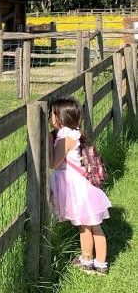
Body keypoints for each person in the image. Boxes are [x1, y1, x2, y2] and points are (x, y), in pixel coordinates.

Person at [48, 98, 111, 275]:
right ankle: (94, 262)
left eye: (52, 113)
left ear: (59, 118)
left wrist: (46, 140)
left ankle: (94, 262)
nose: (50, 117)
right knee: (91, 226)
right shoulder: (75, 132)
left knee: (87, 226)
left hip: (76, 189)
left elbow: (53, 163)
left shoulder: (65, 138)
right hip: (84, 186)